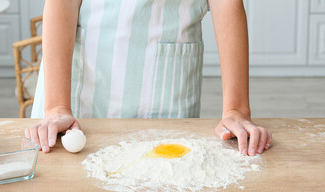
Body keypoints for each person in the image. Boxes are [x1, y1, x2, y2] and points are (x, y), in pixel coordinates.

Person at [26, 0, 272, 156]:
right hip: (76, 95)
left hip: (164, 90)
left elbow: (227, 4)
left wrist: (236, 109)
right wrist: (57, 106)